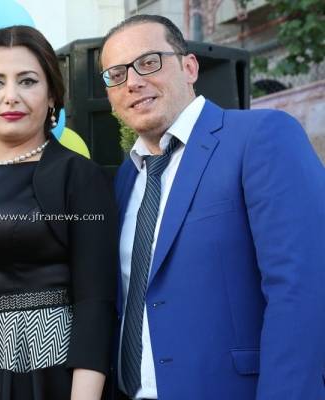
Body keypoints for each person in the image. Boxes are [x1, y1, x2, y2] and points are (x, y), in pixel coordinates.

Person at [100, 14, 325, 400]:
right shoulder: (126, 177)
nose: (132, 82)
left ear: (189, 67)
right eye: (116, 74)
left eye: (149, 62)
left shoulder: (261, 137)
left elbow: (303, 290)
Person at [0, 25, 119, 400]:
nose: (10, 96)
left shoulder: (79, 177)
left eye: (27, 81)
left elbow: (95, 302)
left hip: (43, 375)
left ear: (52, 95)